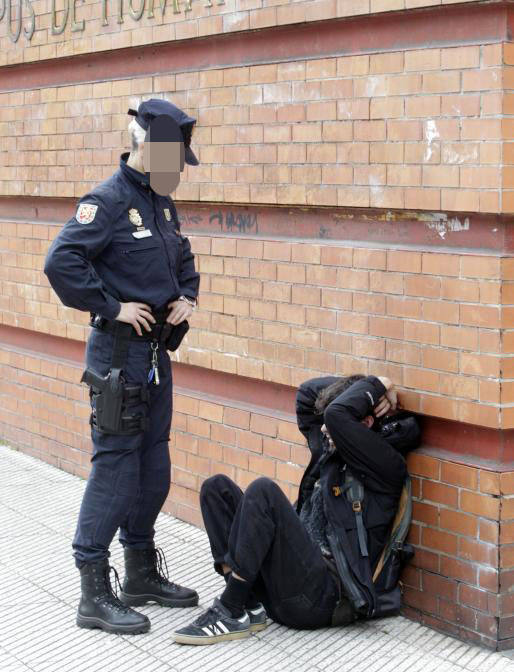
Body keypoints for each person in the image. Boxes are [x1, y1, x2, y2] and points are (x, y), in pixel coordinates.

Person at [44, 98, 201, 635]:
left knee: (153, 468)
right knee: (115, 469)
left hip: (156, 355)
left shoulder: (161, 204)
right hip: (117, 358)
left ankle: (139, 573)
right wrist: (110, 306)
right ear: (144, 145)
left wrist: (187, 298)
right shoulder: (106, 201)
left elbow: (182, 262)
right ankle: (93, 590)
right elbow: (60, 261)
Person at [171, 373, 419, 645]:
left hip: (321, 598)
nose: (324, 430)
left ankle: (229, 609)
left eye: (331, 425)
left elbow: (337, 415)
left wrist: (378, 384)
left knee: (263, 492)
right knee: (216, 489)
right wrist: (374, 386)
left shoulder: (385, 466)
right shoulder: (330, 451)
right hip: (292, 584)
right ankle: (246, 602)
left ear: (365, 423)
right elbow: (306, 395)